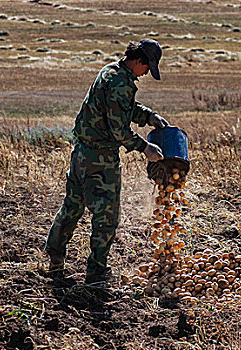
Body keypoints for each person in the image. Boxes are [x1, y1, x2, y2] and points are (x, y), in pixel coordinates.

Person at [44, 39, 169, 283]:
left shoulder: (109, 71)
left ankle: (54, 259)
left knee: (72, 206)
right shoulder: (122, 83)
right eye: (146, 68)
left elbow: (120, 108)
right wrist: (146, 148)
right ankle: (97, 271)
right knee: (106, 215)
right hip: (100, 160)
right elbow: (119, 130)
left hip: (81, 152)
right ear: (138, 60)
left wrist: (148, 116)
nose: (145, 74)